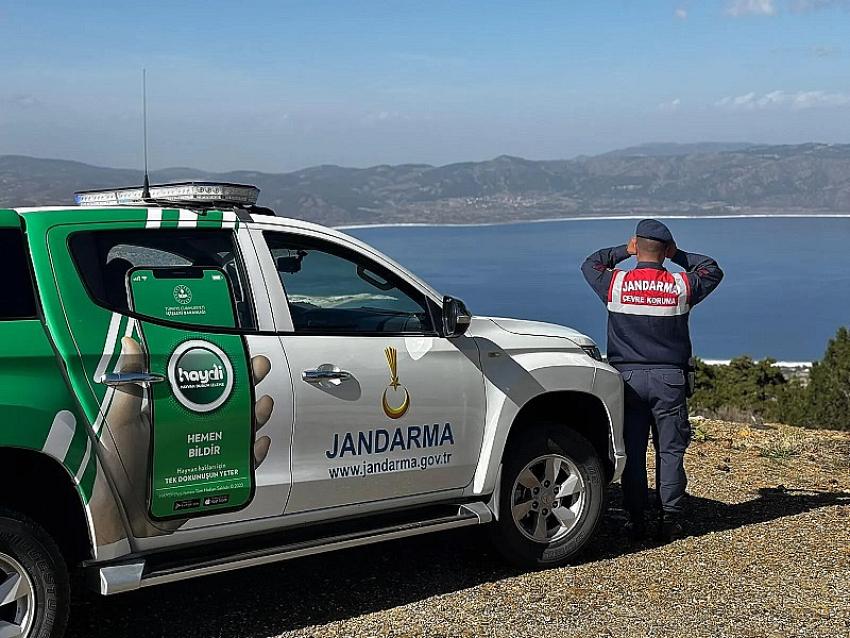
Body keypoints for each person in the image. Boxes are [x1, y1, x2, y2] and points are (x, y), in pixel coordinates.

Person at [581, 219, 723, 541]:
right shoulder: (681, 285)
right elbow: (711, 270)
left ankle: (635, 518)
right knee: (670, 451)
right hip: (670, 379)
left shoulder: (616, 284)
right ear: (665, 250)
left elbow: (591, 263)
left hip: (627, 380)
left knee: (631, 450)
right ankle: (670, 518)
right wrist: (678, 256)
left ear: (636, 246)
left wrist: (622, 251)